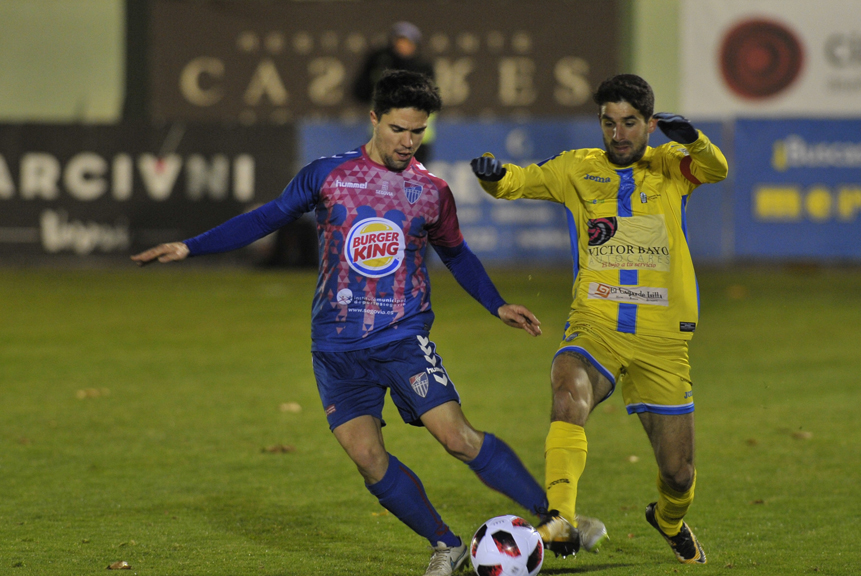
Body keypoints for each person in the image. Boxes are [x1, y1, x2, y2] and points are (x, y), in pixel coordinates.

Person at [133, 70, 549, 576]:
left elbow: (456, 254)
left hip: (401, 336)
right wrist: (190, 246)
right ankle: (445, 544)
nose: (408, 141)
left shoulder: (431, 190)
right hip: (335, 345)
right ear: (374, 119)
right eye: (398, 129)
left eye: (418, 131)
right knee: (368, 458)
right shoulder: (329, 175)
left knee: (457, 437)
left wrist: (496, 304)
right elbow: (267, 217)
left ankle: (552, 518)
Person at [469, 74, 728, 564]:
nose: (618, 133)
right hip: (597, 323)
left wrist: (693, 138)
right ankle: (561, 517)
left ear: (650, 124)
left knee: (679, 474)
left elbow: (716, 169)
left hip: (661, 340)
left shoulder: (671, 166)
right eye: (609, 122)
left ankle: (669, 520)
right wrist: (493, 175)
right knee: (567, 382)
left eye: (629, 122)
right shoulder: (577, 168)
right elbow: (517, 182)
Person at [353, 21, 436, 163]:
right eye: (399, 41)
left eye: (408, 42)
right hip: (383, 136)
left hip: (416, 138)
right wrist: (370, 66)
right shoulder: (380, 66)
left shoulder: (423, 69)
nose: (402, 46)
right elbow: (360, 93)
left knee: (410, 176)